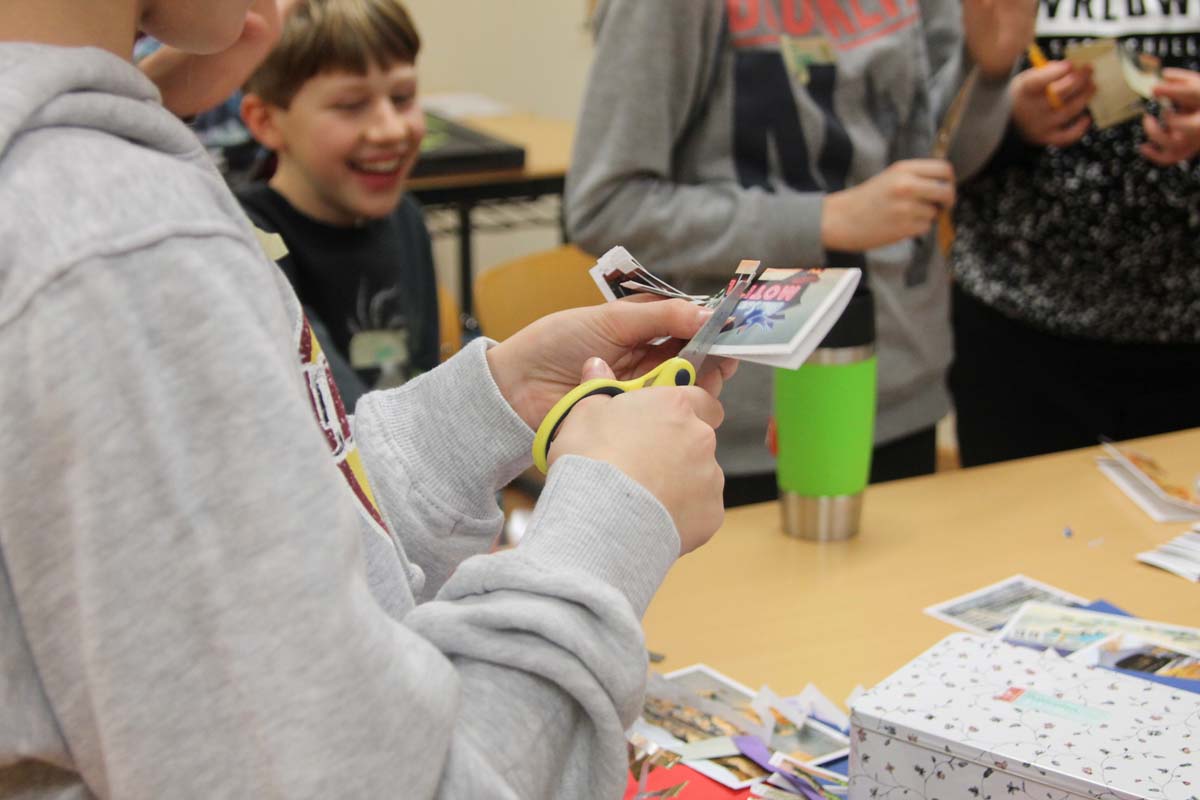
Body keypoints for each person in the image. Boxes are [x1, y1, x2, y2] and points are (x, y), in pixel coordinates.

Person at [0, 1, 737, 797]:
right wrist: (613, 518)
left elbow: (263, 565)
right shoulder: (119, 247)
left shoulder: (91, 209)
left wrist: (489, 408)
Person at [566, 0, 1037, 505]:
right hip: (736, 417)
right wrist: (825, 219)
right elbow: (606, 206)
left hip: (901, 390)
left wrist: (988, 73)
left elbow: (938, 167)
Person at [950, 15, 1200, 467]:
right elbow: (908, 128)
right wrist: (1001, 121)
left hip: (1190, 334)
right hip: (1017, 336)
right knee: (1017, 534)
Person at [236, 0, 436, 407]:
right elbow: (339, 418)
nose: (390, 129)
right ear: (266, 121)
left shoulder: (408, 219)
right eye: (350, 105)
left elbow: (427, 381)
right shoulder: (250, 240)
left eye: (402, 97)